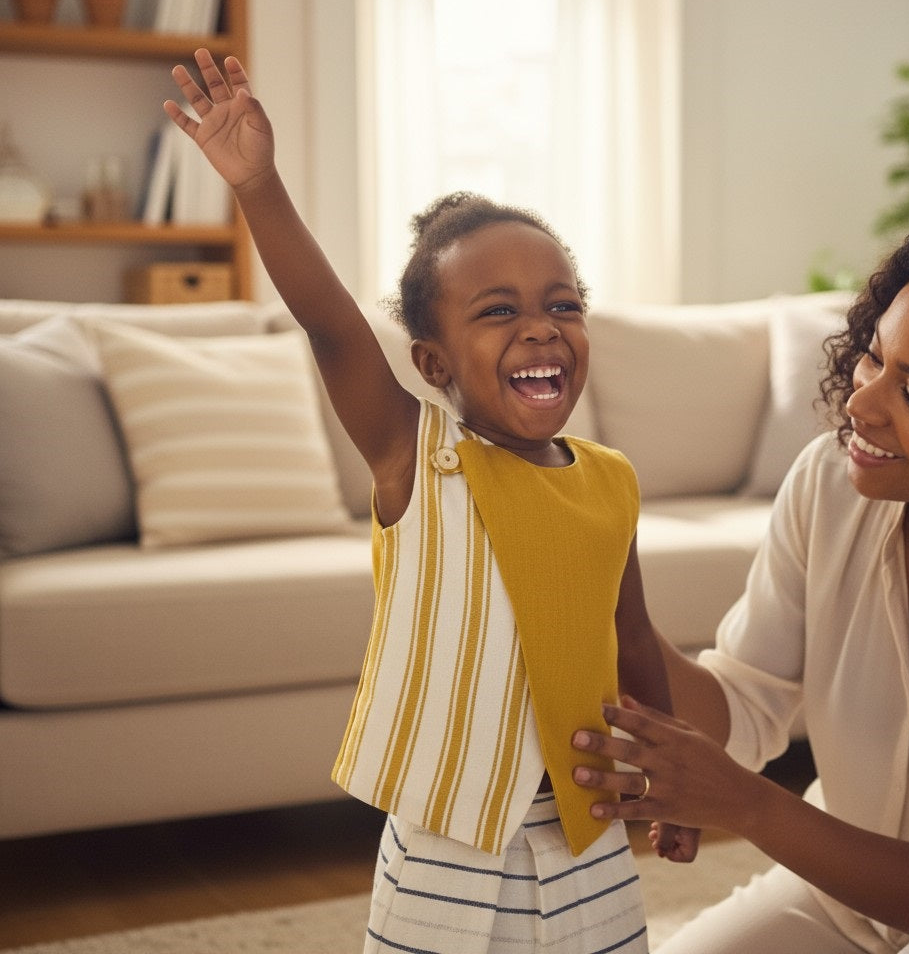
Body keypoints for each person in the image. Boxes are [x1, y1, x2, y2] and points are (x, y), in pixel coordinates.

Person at [164, 48, 691, 954]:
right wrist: (258, 185)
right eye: (498, 311)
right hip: (450, 827)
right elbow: (330, 325)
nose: (540, 326)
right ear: (433, 364)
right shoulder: (418, 457)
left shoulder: (612, 479)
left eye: (563, 304)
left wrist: (671, 779)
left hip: (586, 820)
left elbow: (632, 641)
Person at [571, 215, 909, 954]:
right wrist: (613, 606)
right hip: (838, 901)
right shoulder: (829, 486)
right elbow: (744, 701)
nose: (861, 404)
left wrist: (746, 805)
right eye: (873, 360)